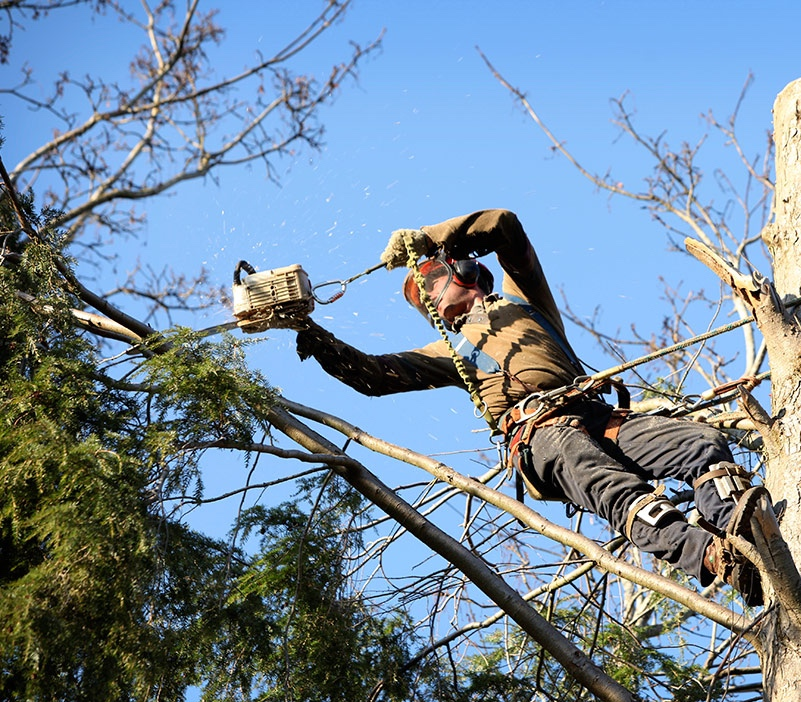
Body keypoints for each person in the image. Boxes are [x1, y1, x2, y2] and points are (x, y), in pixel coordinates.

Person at [290, 209, 763, 605]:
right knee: (613, 487)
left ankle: (748, 536)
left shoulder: (525, 300)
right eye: (425, 296)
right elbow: (374, 376)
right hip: (540, 435)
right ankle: (712, 556)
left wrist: (428, 237)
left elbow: (505, 227)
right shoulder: (450, 354)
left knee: (701, 445)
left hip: (598, 415)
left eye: (432, 282)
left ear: (463, 271)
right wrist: (311, 333)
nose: (432, 298)